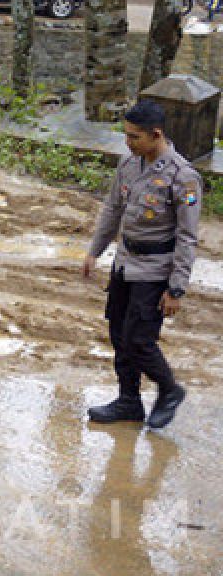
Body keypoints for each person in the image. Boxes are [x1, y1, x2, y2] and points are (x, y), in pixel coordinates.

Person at [81, 99, 199, 429]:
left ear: (155, 135)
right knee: (119, 333)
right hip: (125, 263)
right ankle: (128, 401)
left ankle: (170, 390)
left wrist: (176, 287)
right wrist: (96, 250)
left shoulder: (183, 178)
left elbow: (188, 237)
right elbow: (112, 210)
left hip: (155, 270)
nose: (128, 143)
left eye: (134, 137)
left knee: (140, 340)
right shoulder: (130, 165)